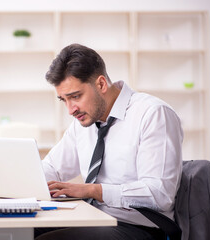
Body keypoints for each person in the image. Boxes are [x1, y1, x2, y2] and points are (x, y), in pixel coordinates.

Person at [35, 44, 183, 240]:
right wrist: (26, 181)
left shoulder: (153, 114)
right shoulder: (83, 123)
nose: (70, 109)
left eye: (75, 97)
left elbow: (160, 193)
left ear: (101, 84)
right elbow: (53, 167)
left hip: (141, 227)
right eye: (64, 100)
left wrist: (94, 190)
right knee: (24, 231)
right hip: (94, 218)